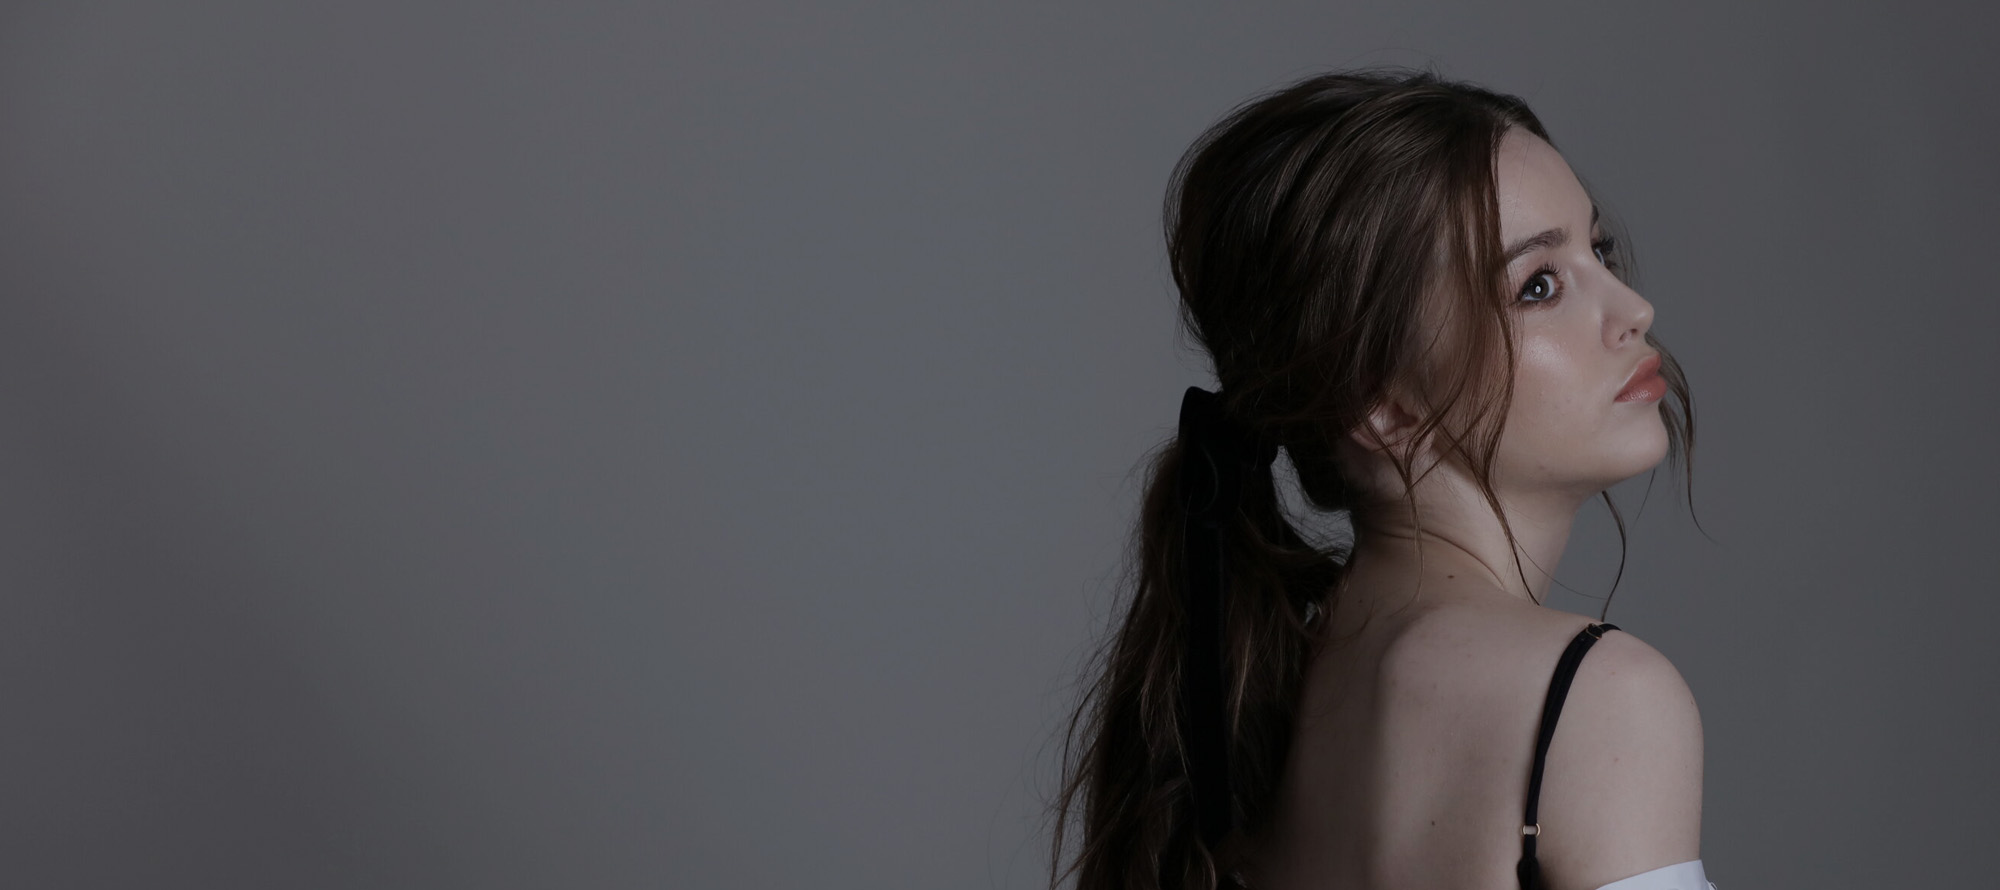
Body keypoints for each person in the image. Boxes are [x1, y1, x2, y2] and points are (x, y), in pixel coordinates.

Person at [1050, 70, 1711, 890]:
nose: (1633, 309)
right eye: (1537, 287)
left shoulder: (1258, 705)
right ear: (1383, 405)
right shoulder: (1602, 699)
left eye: (1599, 250)